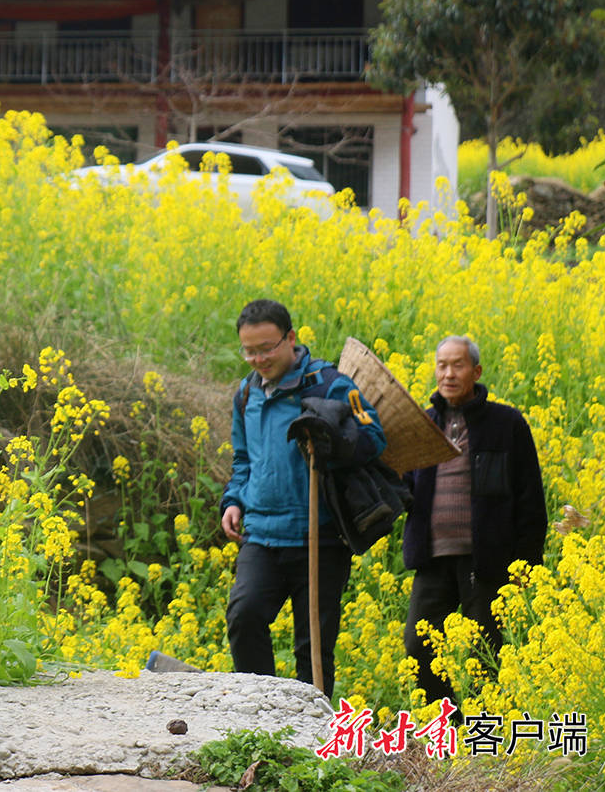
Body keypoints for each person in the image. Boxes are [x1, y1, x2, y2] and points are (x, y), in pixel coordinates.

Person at [220, 299, 384, 699]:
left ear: (290, 338)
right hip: (261, 533)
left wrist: (331, 440)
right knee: (244, 615)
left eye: (266, 348)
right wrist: (233, 501)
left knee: (312, 649)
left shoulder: (329, 384)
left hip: (319, 537)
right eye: (249, 350)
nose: (258, 358)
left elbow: (374, 438)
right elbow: (244, 460)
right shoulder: (246, 394)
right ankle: (259, 711)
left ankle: (311, 739)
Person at [401, 335, 546, 706]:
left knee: (486, 655)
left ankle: (484, 741)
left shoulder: (507, 424)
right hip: (432, 559)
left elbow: (530, 499)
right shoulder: (423, 424)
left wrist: (526, 565)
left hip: (487, 561)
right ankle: (440, 732)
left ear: (476, 371)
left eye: (458, 365)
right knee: (420, 650)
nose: (448, 374)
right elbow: (401, 487)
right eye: (441, 365)